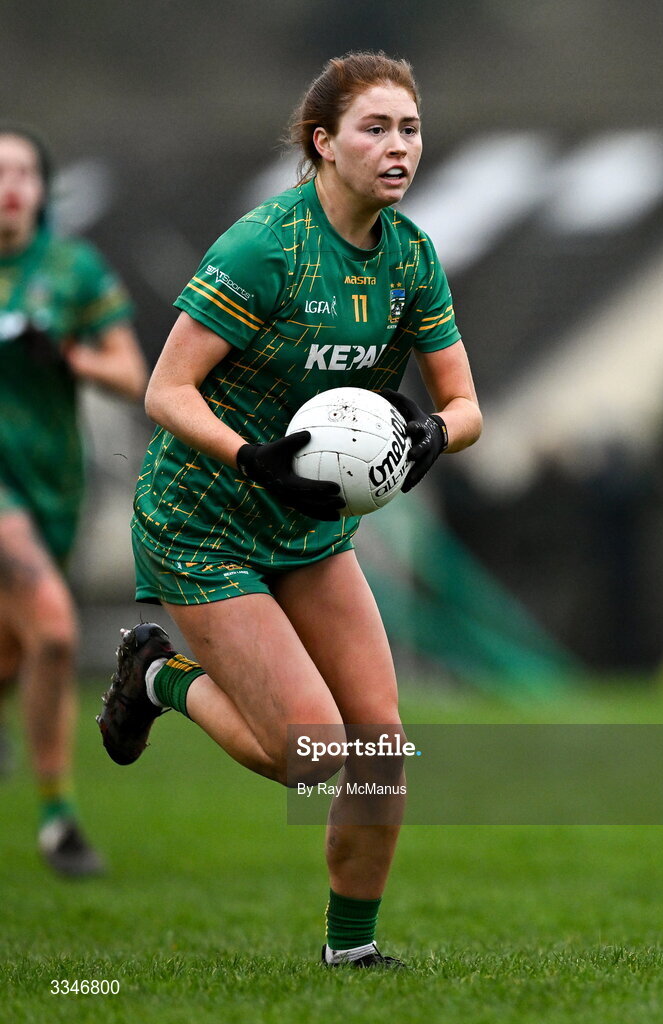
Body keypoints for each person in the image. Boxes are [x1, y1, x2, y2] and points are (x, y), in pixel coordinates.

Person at [98, 52, 482, 963]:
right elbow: (165, 391)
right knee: (307, 754)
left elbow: (467, 407)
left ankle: (351, 953)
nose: (400, 148)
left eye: (411, 129)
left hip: (310, 529)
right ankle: (158, 676)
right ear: (323, 143)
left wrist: (432, 437)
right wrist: (250, 456)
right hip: (204, 522)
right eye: (376, 129)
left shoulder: (411, 258)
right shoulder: (266, 246)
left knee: (382, 747)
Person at [0, 125, 149, 876]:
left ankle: (44, 787)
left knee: (21, 646)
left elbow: (135, 374)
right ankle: (60, 821)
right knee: (57, 633)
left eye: (24, 171)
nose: (11, 185)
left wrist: (64, 353)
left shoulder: (72, 269)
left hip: (54, 483)